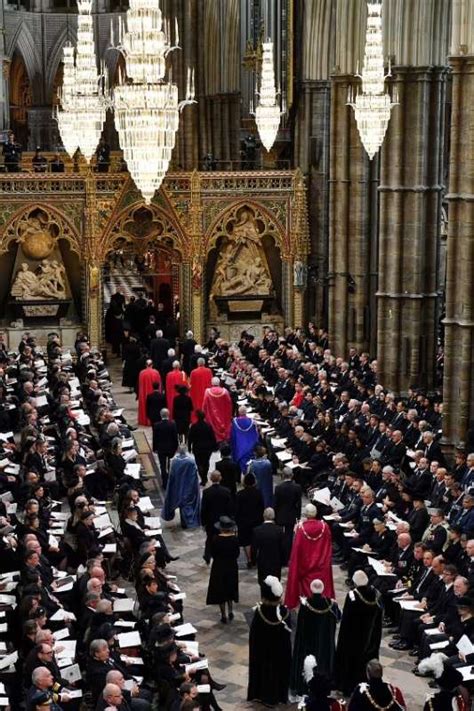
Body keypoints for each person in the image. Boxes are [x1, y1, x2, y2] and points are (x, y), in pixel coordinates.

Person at [335, 571, 383, 696]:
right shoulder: (377, 595)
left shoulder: (352, 596)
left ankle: (348, 686)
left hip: (353, 638)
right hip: (371, 638)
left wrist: (342, 641)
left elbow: (346, 620)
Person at [290, 579, 341, 697]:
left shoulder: (305, 604)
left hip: (308, 643)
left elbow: (300, 626)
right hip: (324, 643)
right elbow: (338, 617)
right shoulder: (331, 604)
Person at [247, 575, 292, 707]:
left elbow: (254, 635)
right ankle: (278, 696)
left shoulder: (260, 612)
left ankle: (261, 695)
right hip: (279, 652)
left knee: (264, 672)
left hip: (263, 652)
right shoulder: (285, 613)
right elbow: (287, 635)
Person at [285, 503, 335, 608]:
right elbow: (328, 544)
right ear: (316, 513)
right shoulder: (324, 527)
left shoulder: (301, 529)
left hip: (306, 566)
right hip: (321, 565)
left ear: (305, 514)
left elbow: (297, 548)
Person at [206, 515, 239, 623]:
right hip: (231, 566)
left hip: (219, 567)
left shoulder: (216, 539)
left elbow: (213, 553)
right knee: (230, 588)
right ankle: (230, 611)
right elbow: (237, 554)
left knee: (220, 590)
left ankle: (223, 615)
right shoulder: (234, 539)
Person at [162, 445, 200, 528]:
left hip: (177, 486)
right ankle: (187, 522)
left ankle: (184, 522)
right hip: (188, 486)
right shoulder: (191, 462)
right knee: (187, 504)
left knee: (180, 502)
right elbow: (194, 475)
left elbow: (171, 475)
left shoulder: (174, 461)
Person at [200, 471, 234, 563]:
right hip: (223, 520)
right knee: (224, 537)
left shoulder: (206, 492)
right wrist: (231, 519)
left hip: (211, 520)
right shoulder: (226, 491)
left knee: (210, 538)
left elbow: (204, 509)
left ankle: (207, 555)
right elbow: (230, 507)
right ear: (220, 478)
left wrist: (203, 522)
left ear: (211, 479)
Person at [235, 472, 264, 568]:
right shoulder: (258, 493)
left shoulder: (239, 494)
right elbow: (261, 507)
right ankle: (255, 557)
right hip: (256, 520)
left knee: (246, 541)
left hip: (243, 521)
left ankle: (249, 559)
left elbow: (237, 509)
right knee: (255, 540)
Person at [251, 507, 285, 587]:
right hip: (276, 561)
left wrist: (253, 561)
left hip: (263, 561)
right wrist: (283, 561)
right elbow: (282, 548)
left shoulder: (257, 530)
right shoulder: (279, 530)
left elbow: (254, 548)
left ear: (264, 516)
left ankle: (264, 598)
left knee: (263, 582)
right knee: (275, 583)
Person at [274, 467, 302, 564]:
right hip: (291, 514)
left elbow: (276, 503)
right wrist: (298, 517)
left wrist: (275, 515)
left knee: (280, 536)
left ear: (282, 475)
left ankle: (281, 556)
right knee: (289, 536)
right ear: (292, 475)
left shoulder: (278, 488)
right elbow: (299, 504)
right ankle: (287, 557)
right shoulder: (297, 487)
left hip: (280, 514)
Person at [187, 410, 217, 486]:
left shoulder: (194, 426)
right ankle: (205, 476)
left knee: (199, 463)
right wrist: (214, 446)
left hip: (197, 448)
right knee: (206, 462)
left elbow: (190, 438)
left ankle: (203, 478)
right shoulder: (208, 426)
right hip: (207, 448)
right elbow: (212, 437)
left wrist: (189, 447)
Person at [152, 408, 179, 488]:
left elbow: (155, 438)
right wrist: (176, 447)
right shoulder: (172, 424)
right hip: (170, 448)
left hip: (161, 448)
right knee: (169, 466)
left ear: (160, 415)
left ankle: (164, 482)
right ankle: (170, 481)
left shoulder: (157, 425)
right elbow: (175, 437)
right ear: (168, 415)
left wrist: (154, 448)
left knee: (162, 466)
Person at [202, 377, 233, 443]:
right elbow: (229, 404)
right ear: (219, 383)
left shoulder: (207, 392)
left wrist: (204, 413)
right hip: (222, 415)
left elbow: (204, 405)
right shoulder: (225, 392)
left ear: (212, 383)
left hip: (212, 415)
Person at [230, 406, 259, 473]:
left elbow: (232, 434)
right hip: (249, 446)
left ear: (239, 412)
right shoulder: (252, 422)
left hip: (239, 446)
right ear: (246, 412)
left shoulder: (234, 421)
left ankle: (239, 477)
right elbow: (255, 434)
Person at [137, 360, 161, 426]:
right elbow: (159, 384)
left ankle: (144, 420)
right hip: (154, 394)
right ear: (152, 365)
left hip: (144, 393)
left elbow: (140, 385)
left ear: (146, 365)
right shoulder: (156, 372)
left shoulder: (141, 373)